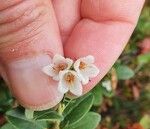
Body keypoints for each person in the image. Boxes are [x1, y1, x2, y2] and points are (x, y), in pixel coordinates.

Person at [0, 0, 145, 111]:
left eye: (69, 76)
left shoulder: (69, 74)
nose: (68, 74)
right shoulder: (63, 68)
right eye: (69, 75)